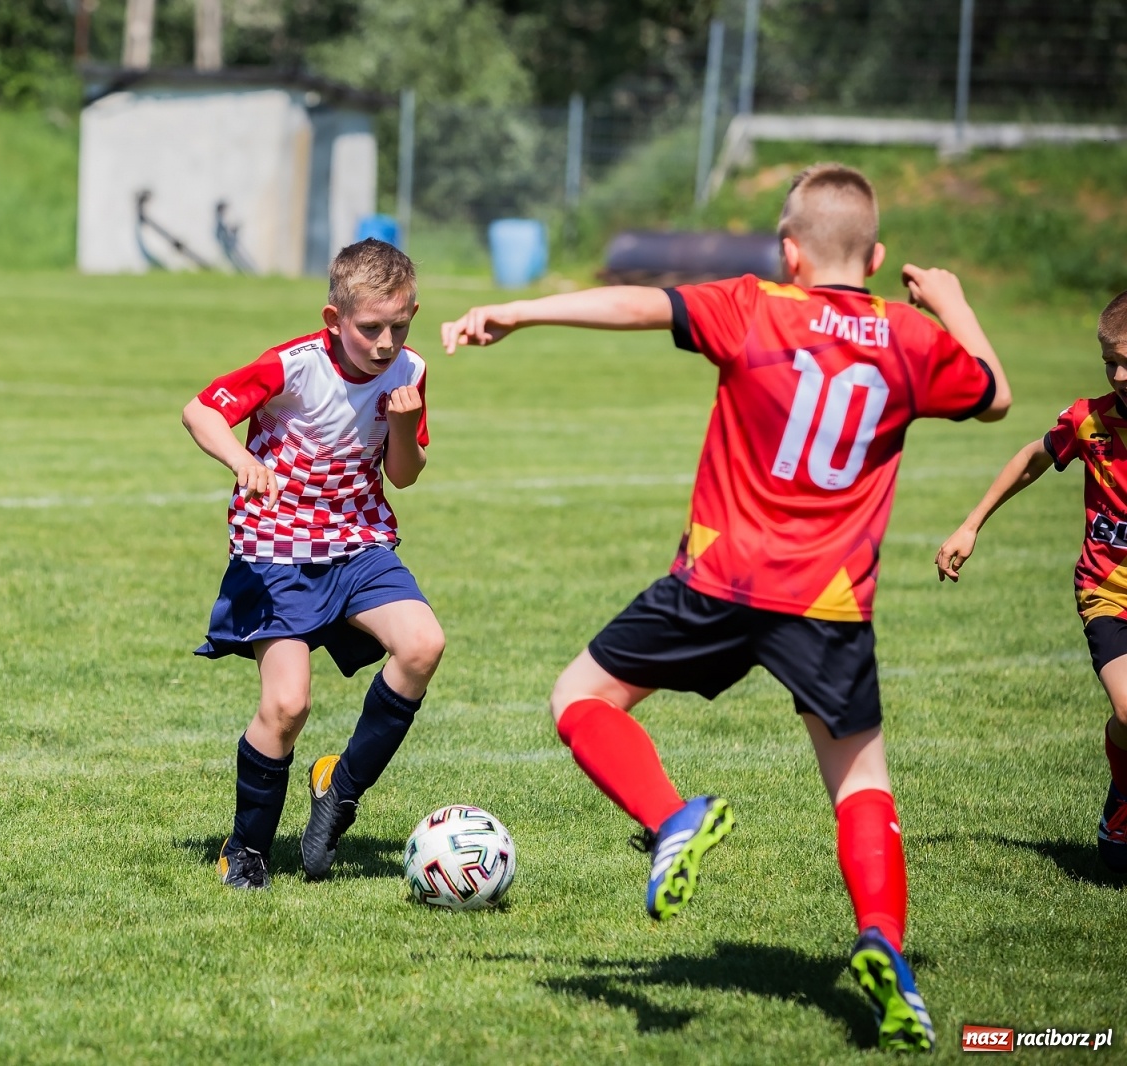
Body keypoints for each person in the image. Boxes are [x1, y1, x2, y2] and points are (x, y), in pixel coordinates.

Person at [440, 163, 1010, 1052]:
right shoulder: (911, 339)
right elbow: (994, 393)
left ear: (790, 251)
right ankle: (883, 946)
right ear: (879, 254)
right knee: (860, 783)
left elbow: (642, 306)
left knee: (580, 700)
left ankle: (672, 818)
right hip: (828, 603)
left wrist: (521, 310)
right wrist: (950, 299)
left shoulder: (758, 307)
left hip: (718, 580)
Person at [182, 238, 445, 891]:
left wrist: (406, 428)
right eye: (370, 328)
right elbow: (201, 410)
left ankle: (340, 788)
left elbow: (404, 476)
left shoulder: (407, 371)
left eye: (400, 325)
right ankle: (245, 850)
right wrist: (241, 460)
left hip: (358, 542)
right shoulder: (294, 365)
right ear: (335, 320)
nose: (386, 341)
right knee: (288, 704)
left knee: (422, 645)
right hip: (277, 550)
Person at [935, 288, 1127, 877]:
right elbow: (1031, 458)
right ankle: (1123, 803)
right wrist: (971, 524)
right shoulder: (1091, 422)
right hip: (1108, 592)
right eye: (1108, 363)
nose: (1117, 375)